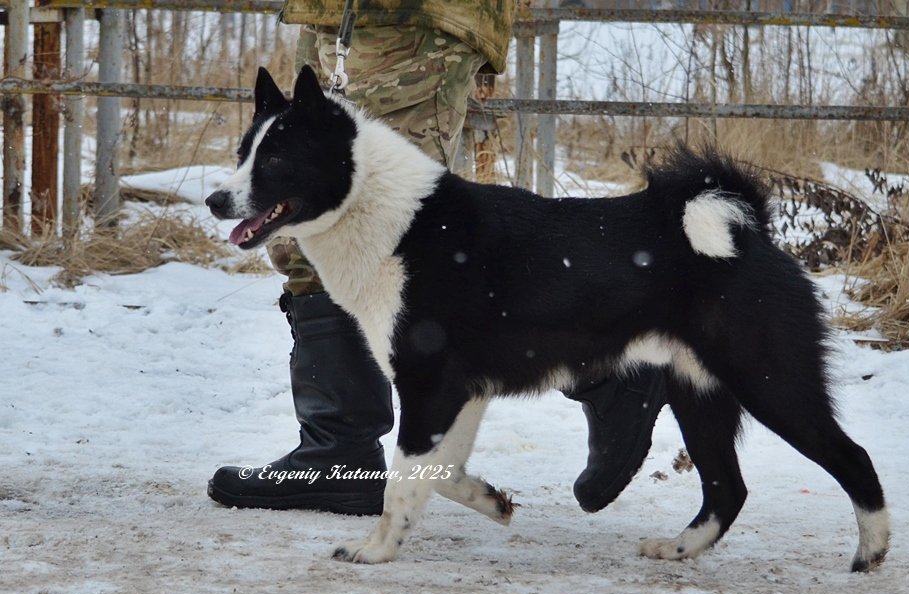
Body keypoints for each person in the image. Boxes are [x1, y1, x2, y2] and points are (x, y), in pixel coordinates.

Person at [207, 0, 667, 516]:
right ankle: (339, 449)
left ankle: (604, 367)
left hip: (412, 13)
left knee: (408, 232)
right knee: (303, 233)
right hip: (330, 11)